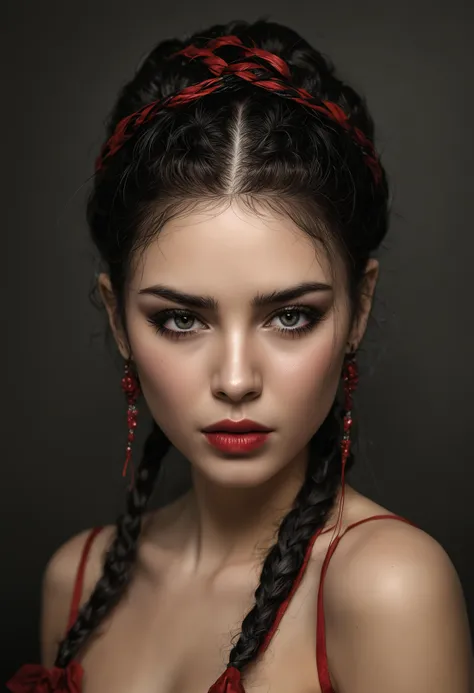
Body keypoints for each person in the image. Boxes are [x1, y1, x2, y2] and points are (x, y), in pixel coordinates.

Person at [7, 18, 473, 693]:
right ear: (116, 315)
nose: (234, 379)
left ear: (359, 308)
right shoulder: (73, 578)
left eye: (290, 316)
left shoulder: (389, 588)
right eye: (181, 318)